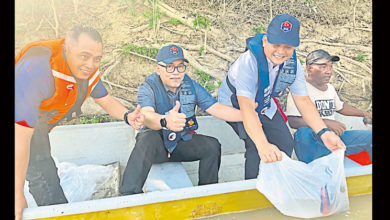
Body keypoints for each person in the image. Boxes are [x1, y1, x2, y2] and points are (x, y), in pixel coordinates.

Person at [15, 25, 144, 219]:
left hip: (35, 124)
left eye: (97, 59)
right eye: (84, 56)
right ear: (67, 46)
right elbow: (20, 137)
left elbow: (106, 100)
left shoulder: (87, 70)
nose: (91, 64)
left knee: (45, 169)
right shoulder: (37, 70)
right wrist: (16, 195)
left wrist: (128, 116)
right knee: (41, 172)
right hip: (20, 124)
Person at [217, 14, 346, 179]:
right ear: (265, 41)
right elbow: (247, 107)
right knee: (256, 145)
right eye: (276, 44)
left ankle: (276, 182)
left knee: (285, 142)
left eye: (288, 47)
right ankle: (253, 189)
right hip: (235, 104)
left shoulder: (293, 65)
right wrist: (263, 145)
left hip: (264, 102)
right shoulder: (247, 62)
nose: (281, 52)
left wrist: (324, 132)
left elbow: (303, 101)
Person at [119, 44, 244, 195]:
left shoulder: (190, 86)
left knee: (212, 145)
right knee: (147, 139)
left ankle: (207, 194)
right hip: (156, 148)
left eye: (180, 67)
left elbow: (217, 109)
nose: (176, 73)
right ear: (158, 69)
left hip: (180, 143)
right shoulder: (149, 86)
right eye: (170, 67)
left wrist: (248, 115)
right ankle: (128, 195)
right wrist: (165, 121)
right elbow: (146, 115)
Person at [285, 49, 372, 163]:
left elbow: (340, 107)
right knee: (303, 133)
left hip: (335, 138)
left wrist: (365, 114)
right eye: (323, 67)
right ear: (309, 68)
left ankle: (363, 174)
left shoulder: (330, 88)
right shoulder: (300, 90)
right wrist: (325, 124)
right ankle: (315, 172)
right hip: (314, 142)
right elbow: (293, 121)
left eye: (330, 67)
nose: (329, 71)